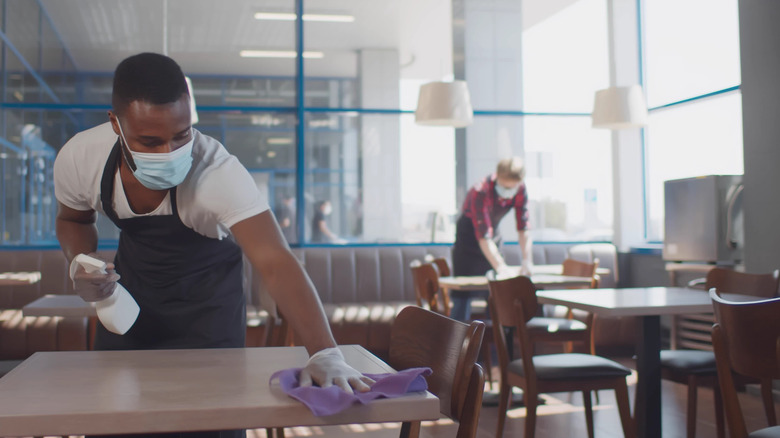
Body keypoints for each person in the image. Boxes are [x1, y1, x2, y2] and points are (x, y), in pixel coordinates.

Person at [53, 53, 371, 438]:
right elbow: (73, 219)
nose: (169, 152)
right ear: (116, 124)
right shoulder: (81, 157)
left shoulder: (217, 172)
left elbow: (275, 261)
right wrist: (80, 263)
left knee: (208, 428)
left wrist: (325, 352)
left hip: (208, 318)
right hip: (130, 310)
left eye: (182, 134)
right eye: (150, 141)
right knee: (115, 424)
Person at [450, 157, 534, 321]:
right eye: (504, 187)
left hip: (492, 240)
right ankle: (456, 345)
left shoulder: (520, 189)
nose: (507, 191)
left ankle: (496, 346)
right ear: (497, 177)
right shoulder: (480, 191)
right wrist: (502, 267)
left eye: (511, 187)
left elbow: (523, 228)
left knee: (498, 295)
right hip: (468, 243)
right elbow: (483, 236)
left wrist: (527, 260)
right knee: (463, 297)